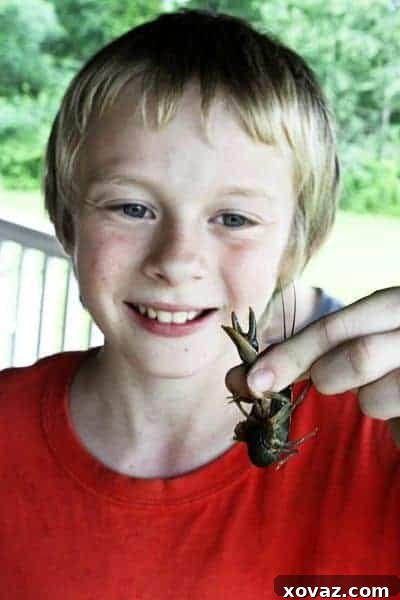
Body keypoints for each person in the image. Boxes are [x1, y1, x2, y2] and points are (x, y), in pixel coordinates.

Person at [1, 8, 399, 599]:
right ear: (66, 222)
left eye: (234, 218)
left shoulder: (381, 445)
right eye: (131, 208)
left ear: (299, 242)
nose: (178, 259)